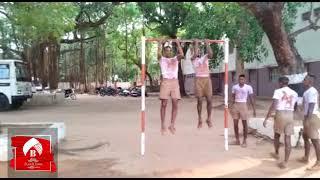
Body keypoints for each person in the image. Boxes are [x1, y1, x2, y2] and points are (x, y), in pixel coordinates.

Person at [263, 76, 298, 169]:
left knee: (277, 135)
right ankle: (285, 162)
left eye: (279, 83)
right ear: (288, 83)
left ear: (281, 83)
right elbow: (295, 106)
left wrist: (267, 118)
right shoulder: (294, 93)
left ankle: (277, 153)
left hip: (280, 114)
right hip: (290, 115)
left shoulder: (278, 91)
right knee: (288, 138)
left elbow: (273, 105)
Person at [158, 39, 184, 135]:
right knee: (164, 103)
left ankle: (172, 125)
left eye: (170, 51)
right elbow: (158, 54)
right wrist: (160, 43)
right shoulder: (162, 59)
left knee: (175, 103)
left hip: (174, 82)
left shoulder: (175, 59)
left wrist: (177, 43)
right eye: (166, 51)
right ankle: (163, 125)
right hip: (166, 82)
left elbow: (182, 55)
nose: (168, 52)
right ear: (164, 52)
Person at [297, 74, 320, 171]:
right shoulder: (307, 92)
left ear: (310, 81)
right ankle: (306, 157)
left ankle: (318, 162)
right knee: (305, 137)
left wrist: (307, 120)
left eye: (305, 80)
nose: (303, 81)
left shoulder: (312, 91)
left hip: (312, 117)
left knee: (315, 140)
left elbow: (311, 106)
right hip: (307, 117)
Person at [191, 39, 214, 129]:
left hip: (207, 79)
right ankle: (200, 118)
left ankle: (208, 118)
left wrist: (207, 43)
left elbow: (211, 54)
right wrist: (196, 43)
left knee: (209, 100)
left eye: (199, 50)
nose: (198, 51)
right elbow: (195, 54)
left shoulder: (205, 57)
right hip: (198, 80)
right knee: (199, 100)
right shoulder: (193, 59)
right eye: (196, 50)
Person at [230, 74, 256, 147]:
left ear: (245, 80)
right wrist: (231, 107)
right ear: (238, 80)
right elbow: (232, 97)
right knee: (235, 124)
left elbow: (251, 98)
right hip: (236, 105)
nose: (241, 80)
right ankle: (237, 140)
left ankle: (244, 140)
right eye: (240, 79)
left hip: (244, 105)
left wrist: (254, 109)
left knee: (244, 124)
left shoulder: (248, 87)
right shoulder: (235, 87)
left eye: (242, 79)